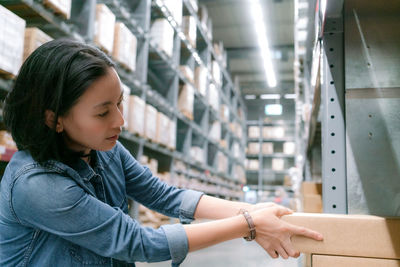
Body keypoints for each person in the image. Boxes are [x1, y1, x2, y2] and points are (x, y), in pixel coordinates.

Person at [0, 39, 322, 267]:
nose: (120, 121)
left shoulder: (103, 148)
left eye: (120, 103)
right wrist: (249, 223)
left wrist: (253, 211)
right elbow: (138, 243)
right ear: (53, 119)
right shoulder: (38, 185)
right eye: (103, 113)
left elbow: (164, 195)